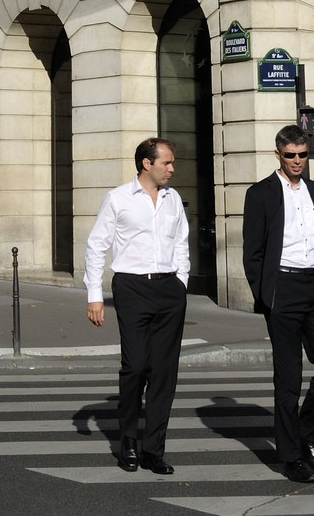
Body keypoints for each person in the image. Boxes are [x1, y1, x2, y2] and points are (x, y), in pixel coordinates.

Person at [242, 123, 314, 484]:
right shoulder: (260, 193)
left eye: (303, 155)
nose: (297, 161)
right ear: (278, 154)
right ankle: (292, 455)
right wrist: (267, 295)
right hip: (284, 288)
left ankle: (306, 436)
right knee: (288, 379)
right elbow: (253, 252)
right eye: (290, 155)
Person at [84, 137, 189, 476]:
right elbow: (96, 246)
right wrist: (94, 295)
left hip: (169, 289)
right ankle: (128, 439)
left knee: (164, 372)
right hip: (131, 287)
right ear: (147, 164)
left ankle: (153, 450)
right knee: (135, 366)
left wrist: (181, 281)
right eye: (167, 163)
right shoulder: (118, 198)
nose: (172, 169)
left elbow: (182, 242)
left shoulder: (173, 200)